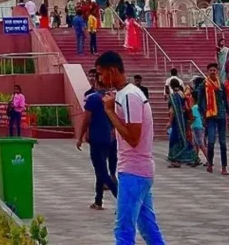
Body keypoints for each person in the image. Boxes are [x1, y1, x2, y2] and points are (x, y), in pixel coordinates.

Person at [95, 51, 167, 245]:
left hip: (134, 171)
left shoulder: (130, 96)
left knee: (124, 229)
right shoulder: (126, 94)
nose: (100, 79)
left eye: (101, 74)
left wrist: (110, 111)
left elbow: (134, 137)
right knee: (148, 227)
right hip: (137, 170)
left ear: (112, 70)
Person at [77, 69, 118, 210]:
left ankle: (120, 198)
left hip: (96, 138)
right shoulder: (110, 98)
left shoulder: (93, 98)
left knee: (101, 171)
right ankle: (98, 200)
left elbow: (86, 120)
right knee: (100, 169)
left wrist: (80, 137)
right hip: (109, 138)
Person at [196, 63, 229, 175]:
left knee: (223, 142)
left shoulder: (221, 85)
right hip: (210, 117)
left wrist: (228, 113)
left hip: (221, 116)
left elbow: (225, 100)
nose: (212, 72)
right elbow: (199, 101)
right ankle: (210, 163)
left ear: (217, 71)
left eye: (214, 70)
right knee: (210, 142)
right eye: (210, 70)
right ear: (207, 72)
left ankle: (224, 167)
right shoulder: (203, 85)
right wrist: (204, 113)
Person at [166, 81, 200, 168]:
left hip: (177, 123)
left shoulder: (174, 96)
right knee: (184, 140)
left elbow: (173, 111)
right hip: (183, 121)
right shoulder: (183, 94)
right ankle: (194, 158)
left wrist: (169, 121)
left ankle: (176, 160)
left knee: (175, 140)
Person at [189, 80, 206, 160]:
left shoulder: (194, 108)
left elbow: (194, 117)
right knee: (196, 144)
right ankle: (195, 159)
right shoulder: (197, 107)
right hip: (197, 127)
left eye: (191, 97)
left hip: (197, 128)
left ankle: (209, 159)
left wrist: (188, 123)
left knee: (201, 145)